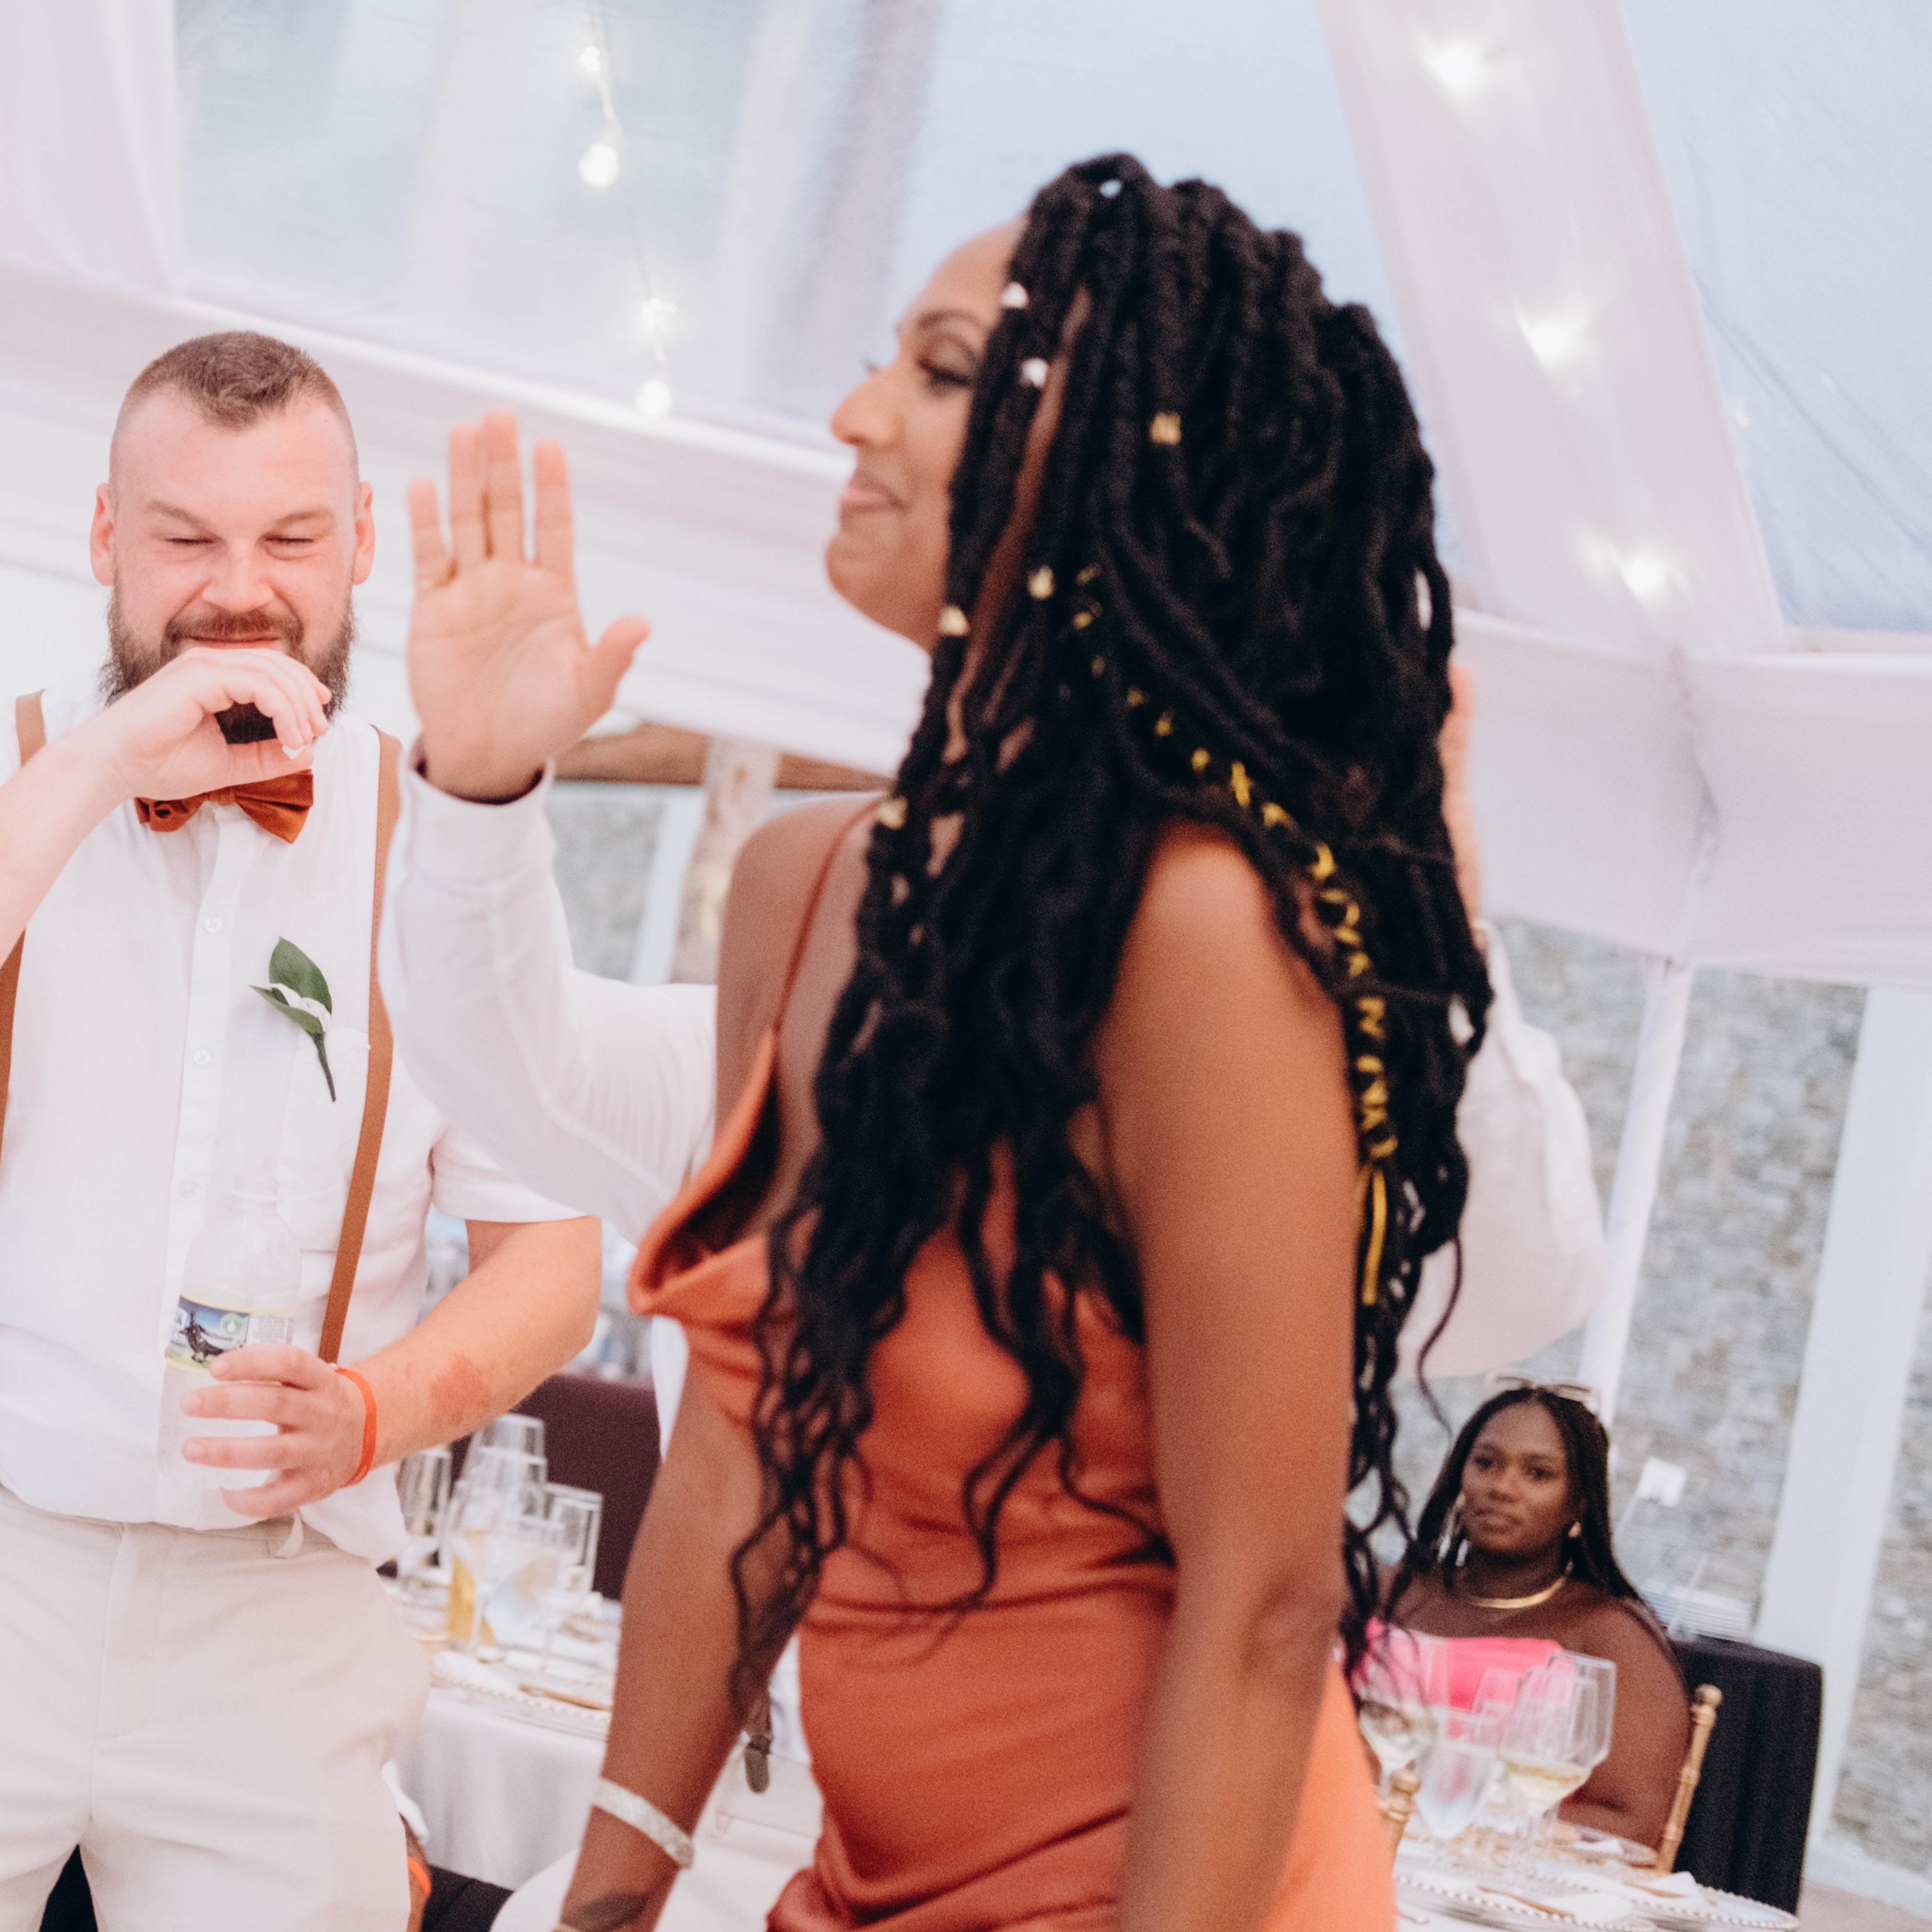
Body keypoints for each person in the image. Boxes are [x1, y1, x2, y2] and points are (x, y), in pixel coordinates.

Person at [400, 157, 1490, 1930]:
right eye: (880, 358)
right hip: (866, 1877)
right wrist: (609, 1891)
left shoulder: (1200, 927)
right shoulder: (802, 887)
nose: (853, 413)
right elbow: (740, 1452)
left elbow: (1263, 1597)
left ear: (1129, 461)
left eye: (941, 369)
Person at [0, 332, 605, 1931]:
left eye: (289, 538)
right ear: (103, 538)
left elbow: (550, 1258)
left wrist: (375, 1409)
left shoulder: (450, 852)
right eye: (185, 538)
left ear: (359, 546)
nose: (239, 591)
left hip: (276, 1618)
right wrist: (97, 763)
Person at [1386, 1384, 1693, 1846]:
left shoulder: (1610, 1635)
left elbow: (1634, 1822)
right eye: (1485, 1463)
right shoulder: (1392, 1590)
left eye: (1537, 1474)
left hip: (1491, 1871)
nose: (1501, 1487)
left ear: (1578, 1502)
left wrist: (1461, 1822)